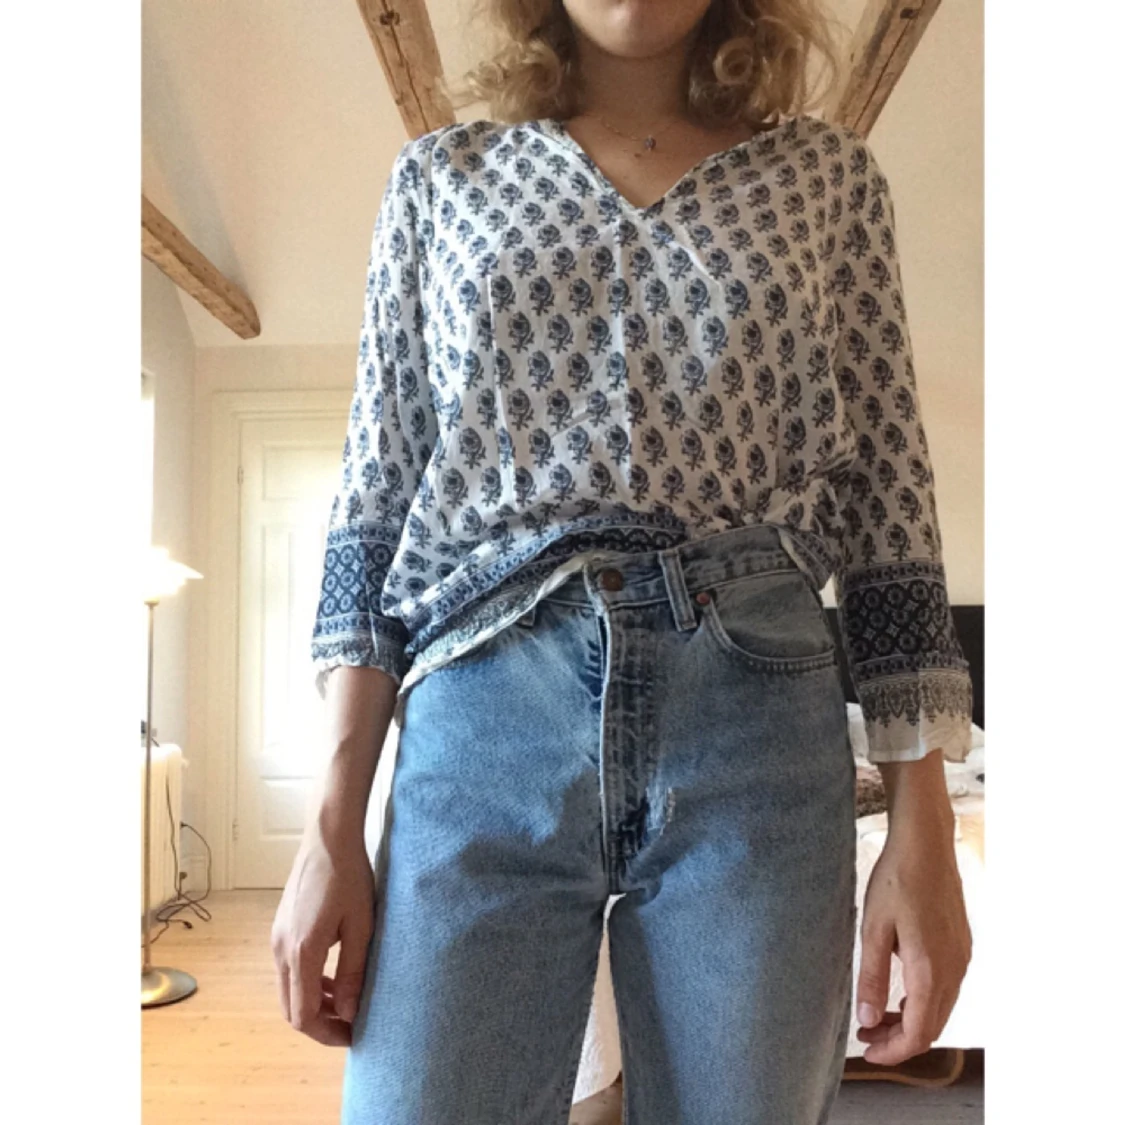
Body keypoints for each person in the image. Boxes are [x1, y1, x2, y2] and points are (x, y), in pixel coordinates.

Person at [272, 1, 974, 1121]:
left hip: (756, 723)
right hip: (484, 715)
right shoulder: (440, 179)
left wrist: (921, 829)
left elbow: (889, 503)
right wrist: (330, 829)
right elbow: (375, 496)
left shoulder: (828, 180)